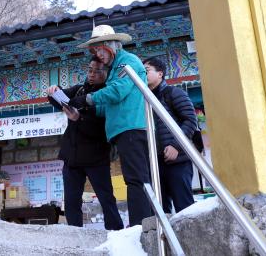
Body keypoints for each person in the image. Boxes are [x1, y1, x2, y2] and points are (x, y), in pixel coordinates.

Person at [68, 25, 152, 227]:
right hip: (123, 128)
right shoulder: (115, 67)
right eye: (94, 51)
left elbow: (116, 92)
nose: (98, 55)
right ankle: (142, 224)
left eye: (99, 49)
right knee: (134, 179)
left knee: (136, 180)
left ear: (110, 46)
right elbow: (109, 107)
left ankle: (140, 225)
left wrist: (87, 99)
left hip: (132, 127)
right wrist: (82, 112)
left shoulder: (128, 61)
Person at [46, 57, 124, 231]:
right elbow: (58, 100)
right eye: (90, 70)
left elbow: (103, 128)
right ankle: (75, 234)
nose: (91, 74)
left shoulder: (108, 93)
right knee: (72, 200)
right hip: (72, 157)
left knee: (106, 198)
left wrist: (78, 118)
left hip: (96, 156)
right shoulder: (80, 89)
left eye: (97, 71)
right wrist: (53, 91)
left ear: (107, 74)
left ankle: (116, 232)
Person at [144, 56, 198, 213]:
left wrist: (175, 146)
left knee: (184, 208)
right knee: (160, 211)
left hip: (178, 160)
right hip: (155, 162)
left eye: (146, 71)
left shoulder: (173, 93)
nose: (142, 74)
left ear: (160, 74)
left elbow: (190, 120)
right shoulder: (144, 99)